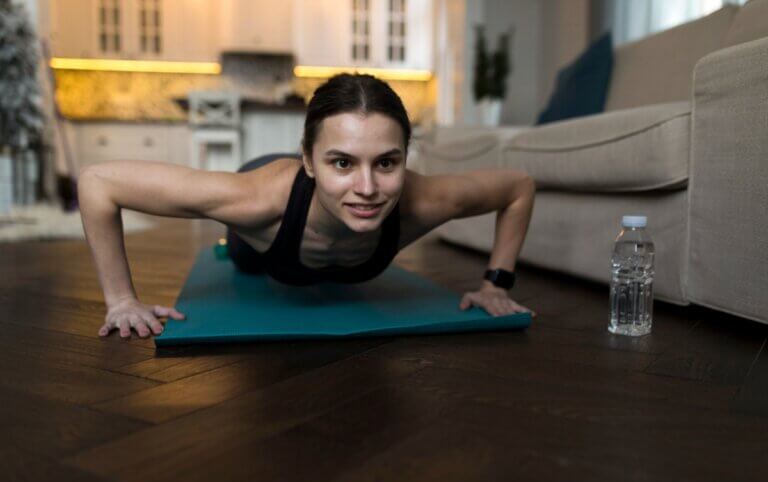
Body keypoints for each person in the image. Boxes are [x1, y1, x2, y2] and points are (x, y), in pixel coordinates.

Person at [78, 73, 536, 340]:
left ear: (405, 157)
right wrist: (121, 301)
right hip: (268, 222)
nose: (368, 188)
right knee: (241, 257)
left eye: (387, 162)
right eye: (342, 162)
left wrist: (496, 284)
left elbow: (518, 187)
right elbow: (98, 182)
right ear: (309, 160)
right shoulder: (252, 202)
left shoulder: (423, 199)